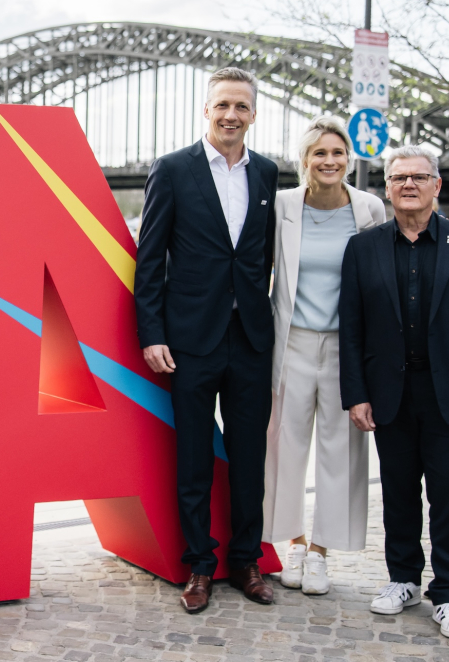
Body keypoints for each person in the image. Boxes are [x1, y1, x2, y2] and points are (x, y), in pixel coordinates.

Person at [339, 145, 449, 641]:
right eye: (397, 178)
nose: (407, 185)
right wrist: (356, 393)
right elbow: (352, 328)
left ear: (437, 185)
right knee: (399, 492)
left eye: (418, 177)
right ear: (386, 188)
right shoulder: (363, 247)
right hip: (390, 391)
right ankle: (403, 578)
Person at [134, 67, 279, 614]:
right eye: (222, 105)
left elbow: (259, 256)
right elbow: (150, 259)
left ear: (253, 113)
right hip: (190, 340)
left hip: (249, 340)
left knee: (248, 459)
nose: (230, 115)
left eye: (241, 106)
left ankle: (246, 561)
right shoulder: (173, 170)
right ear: (206, 109)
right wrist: (152, 333)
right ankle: (199, 565)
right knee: (193, 458)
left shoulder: (266, 173)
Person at [261, 116, 384, 596]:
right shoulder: (283, 206)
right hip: (290, 341)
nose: (329, 161)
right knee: (284, 444)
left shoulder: (370, 208)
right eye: (319, 153)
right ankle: (293, 541)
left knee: (342, 449)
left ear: (348, 159)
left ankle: (320, 554)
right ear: (305, 160)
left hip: (345, 346)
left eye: (337, 153)